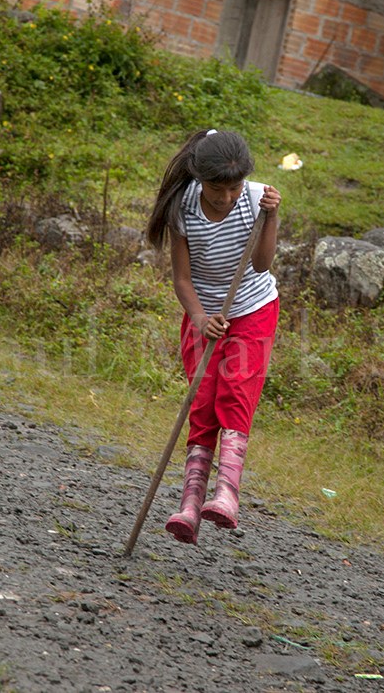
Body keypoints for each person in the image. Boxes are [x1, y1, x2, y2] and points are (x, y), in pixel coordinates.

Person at [146, 129, 282, 545]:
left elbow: (261, 265)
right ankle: (190, 505)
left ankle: (226, 495)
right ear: (199, 179)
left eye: (234, 188)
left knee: (236, 391)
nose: (226, 197)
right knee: (202, 401)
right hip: (203, 314)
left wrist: (271, 218)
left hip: (253, 308)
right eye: (217, 189)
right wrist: (200, 317)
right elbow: (182, 280)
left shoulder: (255, 200)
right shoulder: (182, 206)